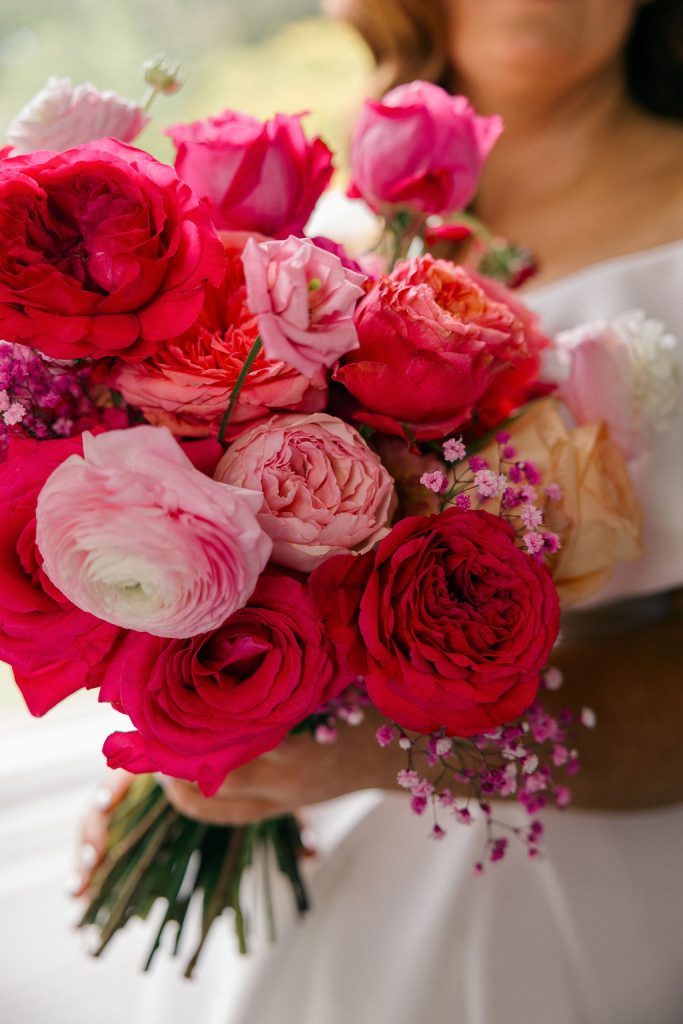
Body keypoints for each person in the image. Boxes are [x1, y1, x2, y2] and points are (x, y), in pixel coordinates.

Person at [77, 2, 683, 1021]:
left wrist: (377, 748)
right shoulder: (320, 258)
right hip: (315, 873)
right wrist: (193, 746)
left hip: (578, 882)